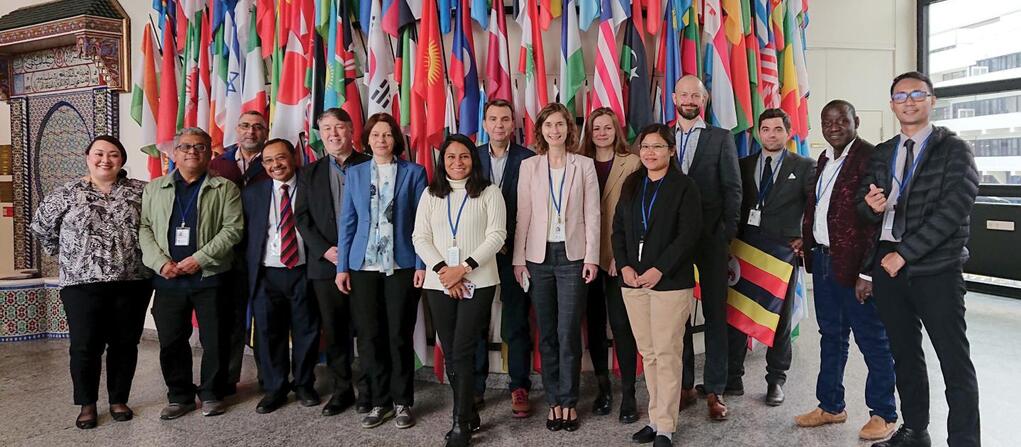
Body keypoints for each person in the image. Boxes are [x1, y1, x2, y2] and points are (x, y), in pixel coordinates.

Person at [858, 71, 980, 447]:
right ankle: (914, 431)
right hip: (888, 269)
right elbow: (861, 208)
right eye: (900, 96)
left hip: (936, 270)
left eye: (917, 94)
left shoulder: (954, 149)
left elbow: (953, 211)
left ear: (932, 100)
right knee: (904, 354)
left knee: (953, 360)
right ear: (892, 104)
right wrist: (870, 208)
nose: (908, 101)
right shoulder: (882, 151)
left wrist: (904, 254)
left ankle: (963, 440)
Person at [30, 136, 153, 429]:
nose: (105, 160)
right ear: (87, 157)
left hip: (132, 281)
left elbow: (155, 226)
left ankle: (118, 400)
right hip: (80, 285)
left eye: (113, 155)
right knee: (85, 346)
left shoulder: (141, 191)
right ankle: (87, 404)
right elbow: (41, 228)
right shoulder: (66, 193)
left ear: (121, 160)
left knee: (125, 344)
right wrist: (69, 255)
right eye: (99, 154)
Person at [794, 100, 898, 441]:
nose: (834, 126)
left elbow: (876, 220)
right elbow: (824, 208)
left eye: (841, 120)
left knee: (872, 340)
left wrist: (868, 273)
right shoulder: (824, 159)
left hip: (857, 268)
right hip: (824, 261)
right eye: (827, 121)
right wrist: (808, 239)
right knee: (832, 337)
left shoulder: (871, 156)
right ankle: (831, 406)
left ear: (857, 120)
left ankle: (883, 412)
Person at [139, 127, 243, 420]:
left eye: (199, 147)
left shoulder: (225, 189)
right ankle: (179, 396)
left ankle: (212, 393)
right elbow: (144, 228)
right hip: (168, 279)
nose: (192, 152)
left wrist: (200, 259)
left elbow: (233, 229)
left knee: (215, 339)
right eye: (185, 147)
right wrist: (160, 263)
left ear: (210, 153)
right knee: (172, 340)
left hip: (209, 277)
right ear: (174, 153)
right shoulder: (154, 188)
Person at [412, 134, 507, 447]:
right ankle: (468, 412)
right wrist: (444, 272)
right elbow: (420, 238)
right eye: (450, 157)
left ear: (473, 159)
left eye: (464, 156)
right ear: (443, 162)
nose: (457, 162)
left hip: (477, 281)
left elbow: (496, 236)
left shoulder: (490, 192)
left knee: (464, 348)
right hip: (439, 282)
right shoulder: (430, 194)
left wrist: (462, 269)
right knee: (451, 352)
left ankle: (460, 423)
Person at [336, 112, 427, 430]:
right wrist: (342, 266)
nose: (381, 140)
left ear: (395, 140)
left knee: (398, 336)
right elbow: (347, 222)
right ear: (367, 139)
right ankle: (379, 402)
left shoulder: (415, 173)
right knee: (371, 337)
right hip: (363, 267)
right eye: (376, 135)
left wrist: (421, 264)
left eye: (387, 135)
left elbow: (421, 223)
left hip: (402, 265)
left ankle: (403, 402)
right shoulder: (356, 173)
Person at [613, 124, 702, 447]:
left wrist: (659, 269)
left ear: (672, 151)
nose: (650, 152)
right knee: (648, 353)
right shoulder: (632, 184)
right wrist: (623, 264)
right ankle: (654, 418)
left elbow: (689, 235)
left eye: (658, 147)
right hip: (632, 282)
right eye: (646, 147)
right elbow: (618, 230)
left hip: (669, 283)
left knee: (666, 353)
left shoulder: (684, 186)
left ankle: (666, 426)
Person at [513, 103, 600, 432]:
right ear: (541, 130)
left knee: (568, 333)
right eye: (549, 125)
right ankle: (553, 401)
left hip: (573, 256)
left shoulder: (584, 166)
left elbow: (593, 215)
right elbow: (523, 216)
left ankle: (569, 401)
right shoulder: (529, 167)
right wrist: (518, 260)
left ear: (569, 129)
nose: (555, 130)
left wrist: (591, 257)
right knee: (547, 333)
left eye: (560, 124)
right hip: (538, 258)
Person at [728, 108, 815, 407]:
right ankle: (733, 377)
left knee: (779, 319)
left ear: (787, 132)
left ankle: (776, 379)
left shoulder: (804, 166)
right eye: (766, 129)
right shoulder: (742, 164)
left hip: (781, 254)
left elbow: (815, 207)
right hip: (744, 249)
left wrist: (805, 237)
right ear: (758, 133)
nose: (771, 134)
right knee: (738, 314)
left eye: (778, 129)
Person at [672, 75, 742, 421]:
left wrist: (726, 235)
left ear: (705, 99)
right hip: (670, 243)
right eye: (684, 93)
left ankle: (715, 388)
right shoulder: (660, 137)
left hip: (712, 240)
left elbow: (733, 189)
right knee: (678, 314)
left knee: (716, 314)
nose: (689, 99)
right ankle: (684, 385)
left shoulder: (720, 138)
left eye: (695, 95)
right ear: (674, 97)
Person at [295, 108, 373, 416]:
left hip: (366, 263)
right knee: (335, 331)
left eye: (339, 127)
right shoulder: (309, 172)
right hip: (325, 265)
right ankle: (343, 390)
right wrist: (324, 249)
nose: (333, 134)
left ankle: (369, 390)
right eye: (326, 128)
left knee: (368, 330)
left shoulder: (371, 165)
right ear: (320, 134)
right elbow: (302, 217)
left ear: (352, 130)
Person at [242, 139, 321, 414]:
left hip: (304, 270)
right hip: (266, 274)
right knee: (268, 333)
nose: (276, 165)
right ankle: (275, 388)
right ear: (263, 165)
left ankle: (304, 384)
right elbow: (247, 237)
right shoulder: (253, 193)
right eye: (269, 161)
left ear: (294, 157)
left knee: (306, 330)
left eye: (281, 158)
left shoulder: (312, 186)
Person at [473, 99, 536, 418]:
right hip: (477, 256)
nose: (499, 125)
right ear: (484, 124)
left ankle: (519, 386)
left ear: (514, 125)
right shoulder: (469, 157)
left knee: (516, 322)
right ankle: (475, 387)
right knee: (476, 322)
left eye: (505, 119)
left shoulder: (529, 159)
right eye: (493, 119)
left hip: (516, 255)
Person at [579, 107, 642, 423]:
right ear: (589, 132)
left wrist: (624, 255)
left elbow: (635, 216)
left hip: (619, 259)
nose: (601, 132)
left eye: (607, 127)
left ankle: (628, 393)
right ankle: (603, 389)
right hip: (586, 258)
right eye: (596, 128)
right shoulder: (579, 163)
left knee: (621, 326)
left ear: (617, 130)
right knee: (593, 325)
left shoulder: (632, 163)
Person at [209, 110, 271, 395]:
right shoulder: (217, 165)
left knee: (266, 319)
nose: (251, 132)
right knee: (230, 320)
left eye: (258, 127)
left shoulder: (275, 160)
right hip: (229, 255)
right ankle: (228, 379)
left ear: (265, 132)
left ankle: (270, 380)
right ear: (236, 128)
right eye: (245, 125)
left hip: (266, 253)